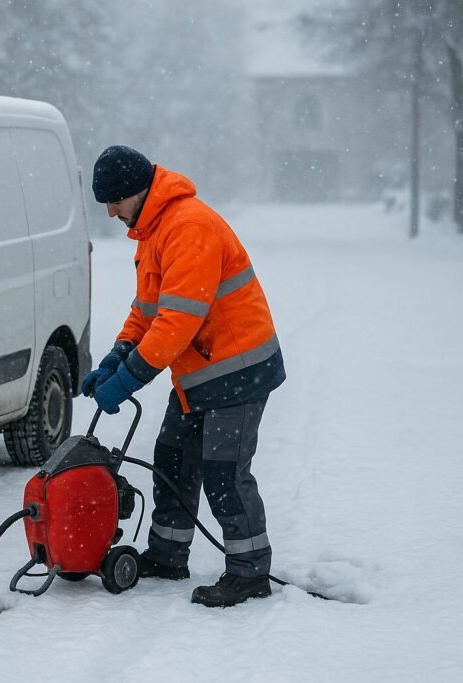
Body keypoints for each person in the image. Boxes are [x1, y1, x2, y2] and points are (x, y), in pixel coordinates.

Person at [82, 146, 286, 608]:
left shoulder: (189, 227)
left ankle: (249, 573)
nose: (110, 212)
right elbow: (147, 310)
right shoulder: (153, 232)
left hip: (238, 371)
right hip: (200, 372)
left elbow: (177, 323)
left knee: (224, 473)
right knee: (173, 458)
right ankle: (168, 554)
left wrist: (128, 379)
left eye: (113, 201)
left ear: (135, 191)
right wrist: (116, 357)